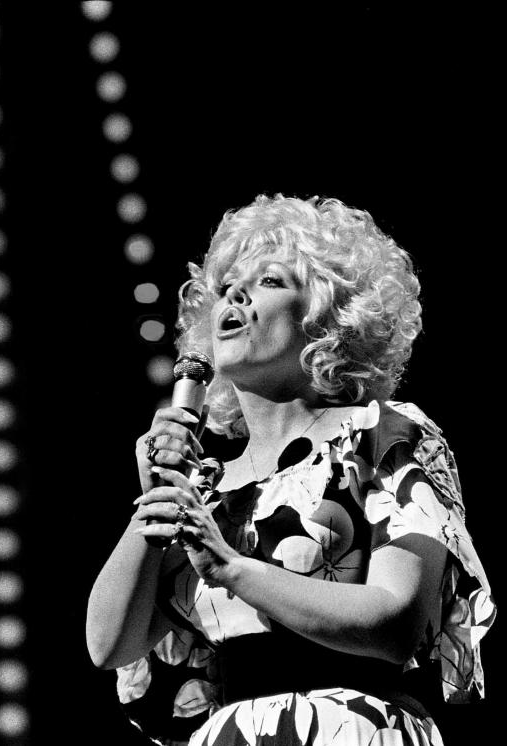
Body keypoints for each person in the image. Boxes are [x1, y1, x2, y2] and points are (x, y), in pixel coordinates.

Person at [86, 195, 496, 746]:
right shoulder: (209, 487)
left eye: (270, 280)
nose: (234, 293)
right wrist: (159, 501)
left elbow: (399, 621)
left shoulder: (383, 434)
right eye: (228, 284)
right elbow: (109, 644)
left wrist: (232, 568)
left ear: (327, 318)